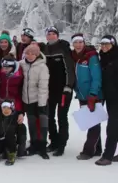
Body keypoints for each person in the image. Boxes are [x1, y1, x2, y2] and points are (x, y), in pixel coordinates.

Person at [43, 26, 75, 156]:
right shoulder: (44, 49)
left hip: (63, 90)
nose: (51, 36)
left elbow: (70, 69)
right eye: (48, 34)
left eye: (53, 34)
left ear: (57, 35)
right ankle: (54, 141)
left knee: (62, 116)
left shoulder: (63, 48)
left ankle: (62, 144)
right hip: (49, 90)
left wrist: (68, 86)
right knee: (49, 117)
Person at [70, 33, 103, 160]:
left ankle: (88, 151)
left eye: (80, 42)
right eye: (75, 42)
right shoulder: (74, 56)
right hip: (82, 95)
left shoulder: (91, 56)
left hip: (93, 95)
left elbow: (97, 77)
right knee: (91, 122)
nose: (78, 45)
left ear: (84, 43)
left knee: (93, 123)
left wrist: (93, 94)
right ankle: (97, 149)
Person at [20, 44, 50, 159]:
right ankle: (33, 143)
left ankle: (42, 145)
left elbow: (43, 87)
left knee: (42, 123)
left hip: (39, 100)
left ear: (37, 54)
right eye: (27, 53)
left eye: (32, 53)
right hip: (27, 99)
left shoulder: (42, 67)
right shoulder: (22, 64)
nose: (30, 55)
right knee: (31, 122)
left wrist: (42, 104)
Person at [96, 35, 118, 165]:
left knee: (112, 126)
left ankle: (108, 155)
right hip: (109, 97)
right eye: (102, 44)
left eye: (107, 44)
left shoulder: (117, 60)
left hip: (117, 98)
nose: (104, 47)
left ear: (113, 45)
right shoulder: (103, 59)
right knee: (117, 125)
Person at [0, 55, 27, 157]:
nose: (5, 70)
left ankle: (20, 146)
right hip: (2, 104)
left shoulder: (19, 76)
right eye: (4, 67)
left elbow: (21, 94)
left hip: (15, 105)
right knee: (3, 125)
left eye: (8, 68)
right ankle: (4, 146)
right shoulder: (2, 74)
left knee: (16, 126)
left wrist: (21, 112)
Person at [0, 99, 24, 166]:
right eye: (4, 108)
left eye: (8, 108)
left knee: (13, 130)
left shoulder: (16, 118)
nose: (6, 110)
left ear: (12, 108)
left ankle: (12, 153)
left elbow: (21, 133)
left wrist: (20, 145)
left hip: (11, 142)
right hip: (0, 140)